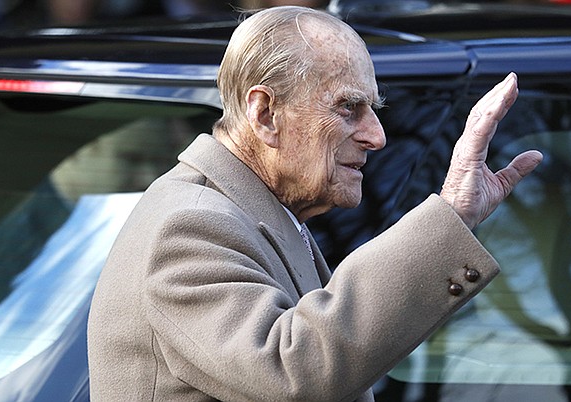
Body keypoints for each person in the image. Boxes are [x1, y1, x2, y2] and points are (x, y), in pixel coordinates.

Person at [87, 5, 543, 401]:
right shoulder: (190, 225)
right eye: (349, 109)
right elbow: (296, 371)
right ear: (265, 114)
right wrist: (452, 213)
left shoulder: (248, 210)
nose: (376, 136)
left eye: (374, 110)